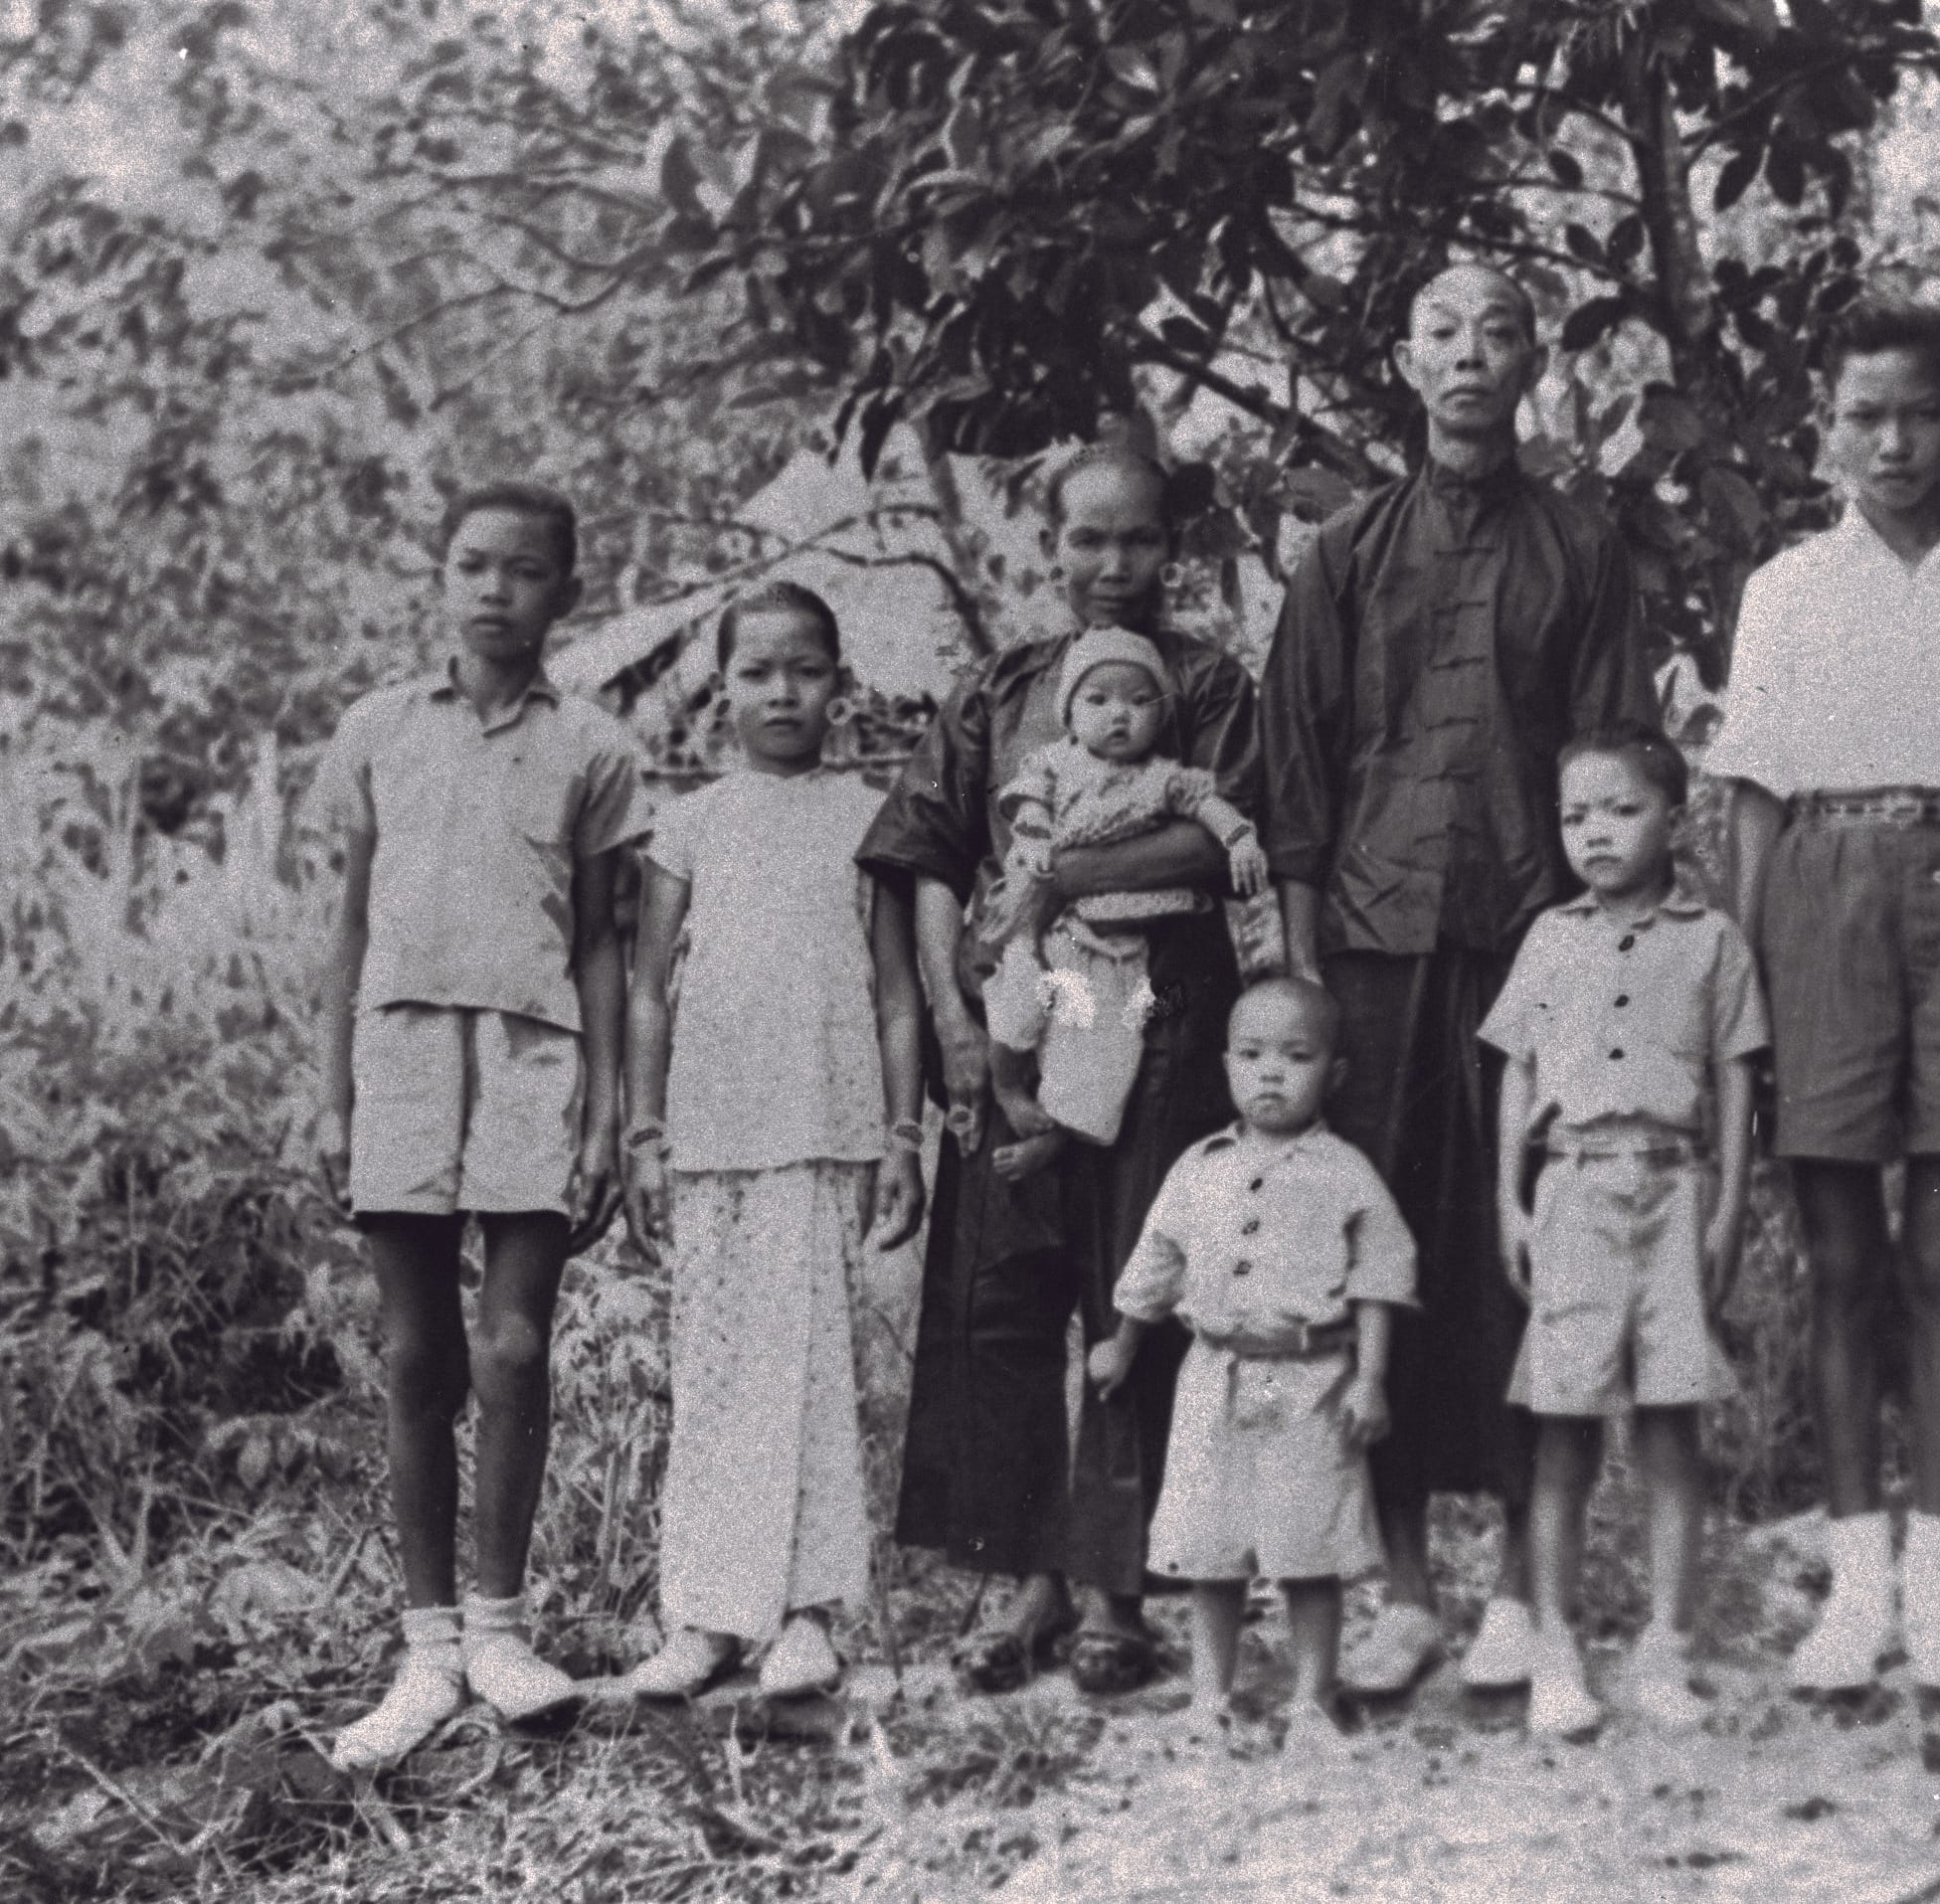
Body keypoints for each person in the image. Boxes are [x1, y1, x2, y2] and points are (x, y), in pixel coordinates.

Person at [1262, 262, 1651, 1695]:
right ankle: (1405, 1588)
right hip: (1367, 955)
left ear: (1532, 357)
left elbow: (1615, 762)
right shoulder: (1347, 553)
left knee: (1524, 1260)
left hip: (1530, 950)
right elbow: (1296, 764)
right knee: (1381, 1260)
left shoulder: (1579, 549)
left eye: (1496, 331)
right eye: (1441, 331)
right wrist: (1299, 961)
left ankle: (1522, 1599)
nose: (1468, 356)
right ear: (1404, 360)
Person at [1711, 299, 1940, 1695]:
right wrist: (1735, 986)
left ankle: (1936, 1579)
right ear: (1827, 426)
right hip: (1819, 897)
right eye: (1863, 413)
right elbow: (1748, 806)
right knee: (1839, 1261)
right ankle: (1849, 1576)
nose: (1890, 439)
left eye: (1917, 411)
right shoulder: (1785, 588)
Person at [860, 444, 1260, 1698]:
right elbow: (928, 855)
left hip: (1167, 1022)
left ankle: (1116, 1588)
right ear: (1050, 546)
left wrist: (1052, 880)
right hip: (1019, 1020)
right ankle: (1022, 1577)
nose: (1110, 566)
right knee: (1003, 1300)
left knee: (1132, 1300)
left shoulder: (1203, 685)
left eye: (1136, 540)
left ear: (1171, 550)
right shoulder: (1000, 687)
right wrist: (957, 1021)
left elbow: (1216, 846)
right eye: (1086, 539)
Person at [314, 481, 651, 1771]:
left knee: (513, 1344)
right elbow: (346, 926)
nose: (493, 589)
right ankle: (427, 1646)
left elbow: (607, 948)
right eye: (472, 564)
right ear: (440, 576)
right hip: (400, 1050)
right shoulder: (380, 728)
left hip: (533, 1058)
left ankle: (503, 1629)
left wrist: (612, 1111)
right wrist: (332, 1091)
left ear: (565, 591)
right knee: (415, 1353)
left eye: (523, 571)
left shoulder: (596, 748)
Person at [618, 583, 929, 1701]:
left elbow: (899, 994)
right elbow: (648, 990)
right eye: (757, 671)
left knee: (804, 1368)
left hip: (820, 1127)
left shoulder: (867, 815)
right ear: (724, 689)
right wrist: (643, 1132)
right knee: (713, 1373)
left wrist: (901, 1135)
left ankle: (805, 1613)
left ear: (839, 685)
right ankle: (705, 1616)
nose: (782, 690)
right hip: (707, 1134)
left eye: (804, 669)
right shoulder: (690, 822)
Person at [1484, 724, 1766, 1738]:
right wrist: (1507, 1201)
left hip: (1670, 1188)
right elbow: (1515, 1069)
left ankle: (1665, 1644)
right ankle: (1554, 1646)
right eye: (1573, 815)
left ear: (1674, 819)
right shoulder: (1549, 937)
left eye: (1620, 809)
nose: (1594, 832)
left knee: (1667, 1428)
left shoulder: (1712, 940)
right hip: (1569, 1192)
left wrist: (1727, 1203)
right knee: (1560, 1429)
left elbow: (1736, 1077)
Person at [1087, 977, 1414, 1749]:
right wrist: (1122, 1341)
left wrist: (1369, 1377)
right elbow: (1156, 1258)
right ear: (1227, 1063)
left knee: (1309, 1545)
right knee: (1211, 1544)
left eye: (1295, 1057)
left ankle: (1311, 1698)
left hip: (1311, 1379)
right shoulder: (1198, 1167)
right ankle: (1210, 1696)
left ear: (1332, 1073)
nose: (1271, 1072)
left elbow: (1379, 1277)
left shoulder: (1344, 1172)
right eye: (1253, 1054)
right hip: (1214, 1375)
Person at [977, 625, 1268, 1172]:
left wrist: (1239, 838)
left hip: (1118, 946)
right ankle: (1008, 1088)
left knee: (1107, 1046)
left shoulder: (1162, 778)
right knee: (1016, 1006)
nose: (1119, 714)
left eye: (1139, 702)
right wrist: (1037, 835)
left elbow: (1209, 806)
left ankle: (1059, 1134)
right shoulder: (1054, 763)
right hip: (1045, 926)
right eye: (1098, 699)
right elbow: (1030, 804)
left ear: (1160, 716)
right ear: (1069, 710)